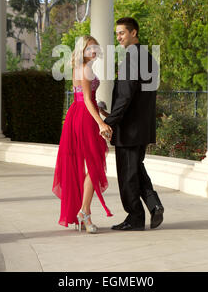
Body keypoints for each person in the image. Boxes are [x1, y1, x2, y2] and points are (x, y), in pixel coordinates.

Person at [99, 17, 164, 231]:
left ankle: (135, 217)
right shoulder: (148, 58)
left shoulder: (132, 58)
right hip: (143, 127)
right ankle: (154, 206)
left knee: (127, 175)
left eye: (122, 33)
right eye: (117, 33)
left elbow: (125, 96)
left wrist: (108, 122)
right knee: (136, 168)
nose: (118, 37)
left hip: (129, 128)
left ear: (133, 33)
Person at [52, 35, 113, 234]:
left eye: (95, 46)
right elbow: (86, 99)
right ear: (81, 50)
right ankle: (84, 212)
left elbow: (84, 97)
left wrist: (101, 111)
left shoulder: (81, 68)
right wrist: (100, 122)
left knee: (93, 163)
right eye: (89, 48)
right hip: (85, 117)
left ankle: (83, 211)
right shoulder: (85, 69)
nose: (93, 50)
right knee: (95, 164)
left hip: (79, 114)